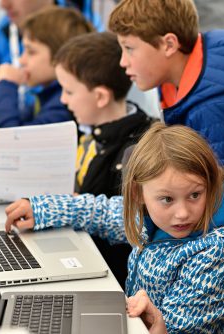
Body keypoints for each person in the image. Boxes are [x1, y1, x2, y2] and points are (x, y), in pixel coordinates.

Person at [4, 123, 224, 333]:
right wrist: (42, 208)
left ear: (210, 186)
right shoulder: (149, 217)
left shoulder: (217, 250)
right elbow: (101, 212)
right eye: (167, 199)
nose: (182, 213)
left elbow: (174, 327)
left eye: (194, 195)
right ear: (139, 194)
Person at [108, 0, 224, 170]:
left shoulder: (213, 110)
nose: (123, 62)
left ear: (169, 45)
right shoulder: (211, 44)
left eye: (129, 49)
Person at [53, 31, 155, 286]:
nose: (63, 100)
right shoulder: (91, 133)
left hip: (107, 274)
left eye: (68, 91)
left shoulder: (137, 149)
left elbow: (128, 225)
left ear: (100, 96)